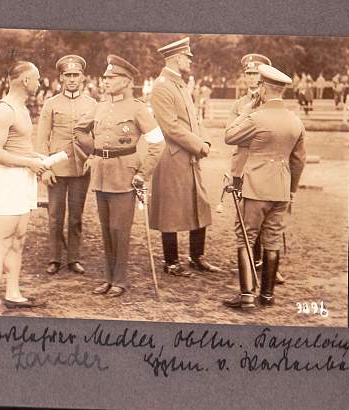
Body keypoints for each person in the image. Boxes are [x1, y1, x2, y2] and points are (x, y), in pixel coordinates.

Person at [79, 55, 165, 297]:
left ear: (127, 81)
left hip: (125, 175)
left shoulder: (138, 108)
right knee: (106, 229)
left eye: (111, 77)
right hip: (101, 175)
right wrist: (91, 153)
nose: (105, 81)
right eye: (105, 77)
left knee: (120, 229)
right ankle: (108, 278)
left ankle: (120, 280)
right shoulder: (100, 106)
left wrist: (142, 173)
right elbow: (81, 132)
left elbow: (158, 144)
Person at [223, 64, 306, 309]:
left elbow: (229, 136)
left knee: (246, 237)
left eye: (259, 84)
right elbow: (298, 160)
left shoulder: (256, 117)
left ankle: (247, 295)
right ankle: (267, 296)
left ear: (264, 88)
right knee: (272, 240)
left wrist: (247, 110)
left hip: (256, 188)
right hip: (281, 189)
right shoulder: (295, 120)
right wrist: (291, 189)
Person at [149, 37, 221, 277]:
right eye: (187, 57)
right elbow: (170, 127)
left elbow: (193, 120)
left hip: (190, 155)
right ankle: (170, 261)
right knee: (170, 209)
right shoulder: (162, 86)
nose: (190, 61)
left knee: (199, 203)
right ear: (176, 58)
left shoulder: (180, 84)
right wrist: (200, 146)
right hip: (172, 157)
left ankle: (196, 256)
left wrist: (205, 140)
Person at [0, 61, 50, 316]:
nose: (40, 82)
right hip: (9, 180)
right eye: (37, 78)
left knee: (19, 239)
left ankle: (12, 293)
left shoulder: (22, 108)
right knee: (1, 241)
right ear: (25, 81)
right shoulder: (4, 110)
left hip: (23, 179)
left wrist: (40, 158)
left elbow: (20, 147)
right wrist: (30, 163)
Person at [36, 55, 97, 275]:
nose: (72, 79)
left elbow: (98, 135)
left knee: (76, 216)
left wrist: (93, 157)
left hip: (82, 167)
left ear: (83, 77)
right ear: (61, 77)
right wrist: (44, 168)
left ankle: (74, 258)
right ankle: (54, 258)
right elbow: (42, 138)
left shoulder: (92, 104)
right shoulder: (51, 104)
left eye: (76, 75)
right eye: (68, 75)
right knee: (55, 215)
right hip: (56, 168)